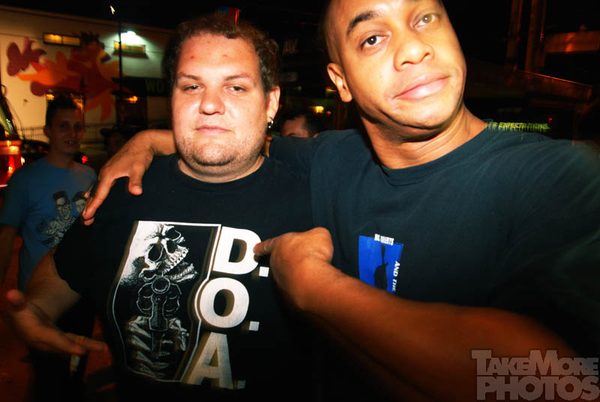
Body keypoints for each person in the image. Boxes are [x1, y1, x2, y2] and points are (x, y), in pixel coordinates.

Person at [80, 1, 600, 401]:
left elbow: (561, 384)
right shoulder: (332, 159)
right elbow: (230, 138)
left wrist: (314, 287)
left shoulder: (561, 178)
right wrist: (147, 141)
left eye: (425, 19)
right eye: (373, 38)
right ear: (341, 82)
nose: (413, 49)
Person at [3, 13, 317, 402]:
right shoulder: (124, 189)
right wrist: (35, 310)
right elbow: (63, 268)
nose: (209, 104)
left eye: (236, 87)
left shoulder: (313, 202)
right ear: (172, 98)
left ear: (271, 103)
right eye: (191, 86)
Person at [0, 93, 97, 402]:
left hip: (81, 292)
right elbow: (7, 235)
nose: (72, 134)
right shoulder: (25, 180)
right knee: (48, 377)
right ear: (48, 131)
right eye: (63, 126)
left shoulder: (90, 175)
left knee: (77, 364)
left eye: (78, 127)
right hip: (41, 296)